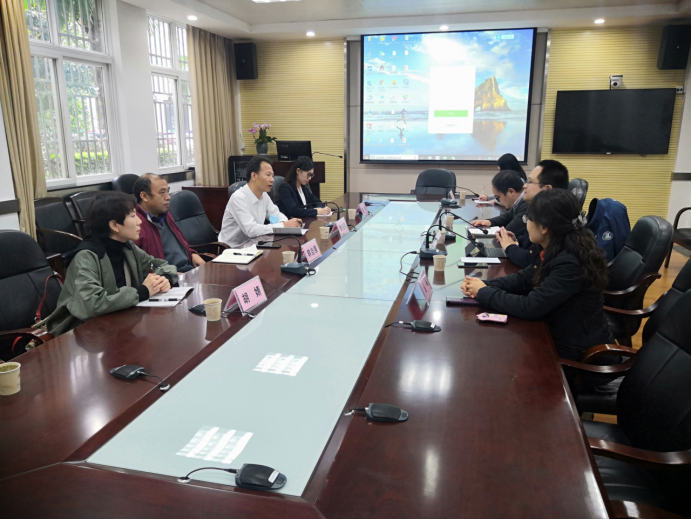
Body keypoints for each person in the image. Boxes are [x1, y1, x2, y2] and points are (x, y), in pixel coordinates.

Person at [461, 189, 613, 367]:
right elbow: (524, 279)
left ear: (544, 227)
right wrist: (482, 284)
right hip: (556, 332)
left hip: (581, 356)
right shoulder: (555, 246)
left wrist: (484, 292)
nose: (526, 225)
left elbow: (529, 307)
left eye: (528, 219)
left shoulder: (570, 261)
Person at [46, 192, 178, 337]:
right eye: (133, 216)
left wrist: (165, 279)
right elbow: (91, 304)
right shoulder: (87, 256)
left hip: (119, 323)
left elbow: (161, 265)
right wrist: (143, 291)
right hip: (83, 334)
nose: (139, 221)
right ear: (114, 225)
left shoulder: (126, 246)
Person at [495, 159, 570, 268]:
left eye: (530, 182)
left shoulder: (554, 218)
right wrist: (517, 240)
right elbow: (530, 245)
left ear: (547, 189)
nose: (524, 186)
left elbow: (530, 259)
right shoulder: (540, 210)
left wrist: (509, 246)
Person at [218, 156, 302, 248]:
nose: (272, 179)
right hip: (232, 249)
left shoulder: (264, 195)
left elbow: (275, 214)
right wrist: (282, 225)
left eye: (272, 175)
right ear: (254, 175)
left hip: (253, 244)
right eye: (268, 175)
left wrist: (285, 223)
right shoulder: (239, 198)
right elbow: (251, 230)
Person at [132, 173, 205, 273]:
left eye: (168, 191)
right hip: (168, 277)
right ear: (144, 196)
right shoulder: (135, 224)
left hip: (187, 269)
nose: (168, 197)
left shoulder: (165, 213)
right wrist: (172, 275)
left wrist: (192, 254)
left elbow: (180, 244)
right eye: (162, 192)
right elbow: (141, 270)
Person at [470, 170, 527, 236]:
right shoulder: (520, 201)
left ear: (511, 192)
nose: (498, 201)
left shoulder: (526, 205)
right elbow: (508, 216)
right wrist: (490, 222)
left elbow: (510, 230)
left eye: (497, 197)